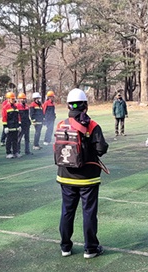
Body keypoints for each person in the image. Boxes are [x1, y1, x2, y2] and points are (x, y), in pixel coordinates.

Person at [56, 88, 108, 259]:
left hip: (65, 175)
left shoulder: (61, 124)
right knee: (89, 212)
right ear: (86, 105)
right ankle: (90, 248)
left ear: (68, 105)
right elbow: (101, 149)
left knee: (67, 211)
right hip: (88, 178)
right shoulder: (92, 125)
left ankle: (65, 247)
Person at [2, 93, 20, 158]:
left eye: (14, 99)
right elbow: (4, 117)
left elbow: (18, 116)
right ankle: (8, 153)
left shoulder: (16, 106)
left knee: (15, 140)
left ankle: (15, 152)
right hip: (9, 126)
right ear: (8, 99)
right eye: (12, 99)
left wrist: (19, 125)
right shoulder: (5, 107)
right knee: (9, 140)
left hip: (15, 126)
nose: (13, 100)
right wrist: (5, 127)